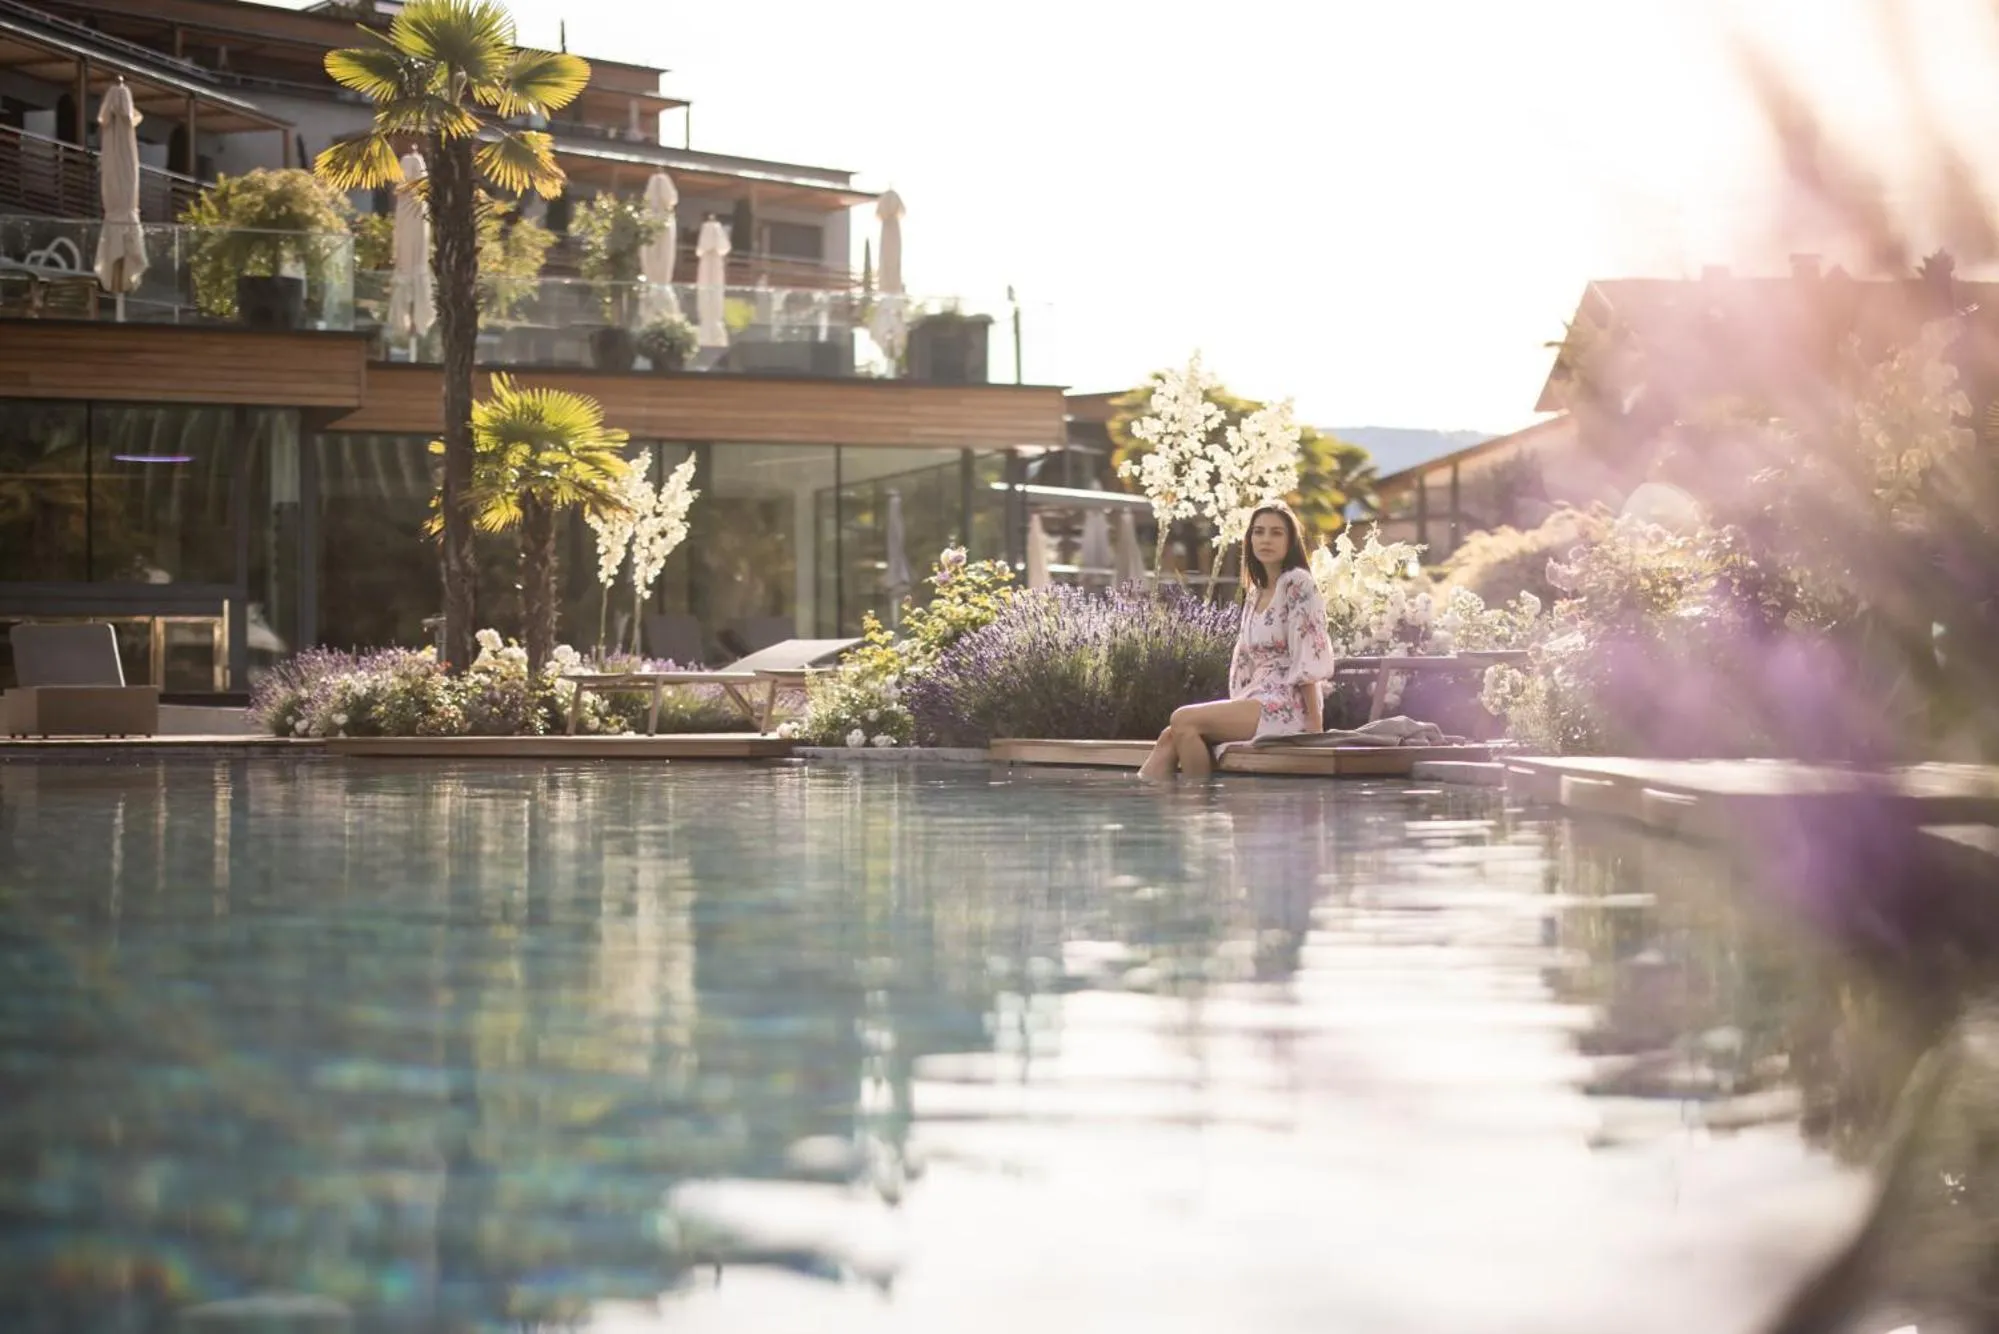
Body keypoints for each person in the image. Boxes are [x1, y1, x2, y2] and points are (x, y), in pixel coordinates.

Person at [1137, 503, 1338, 781]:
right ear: (1250, 539)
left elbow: (1308, 650)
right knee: (1170, 736)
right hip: (1257, 697)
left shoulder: (1298, 583)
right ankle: (1143, 813)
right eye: (1259, 532)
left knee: (1183, 719)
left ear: (1290, 541)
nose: (1266, 539)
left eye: (1276, 533)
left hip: (1290, 704)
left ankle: (1198, 810)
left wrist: (1314, 727)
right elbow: (1244, 660)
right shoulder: (1255, 592)